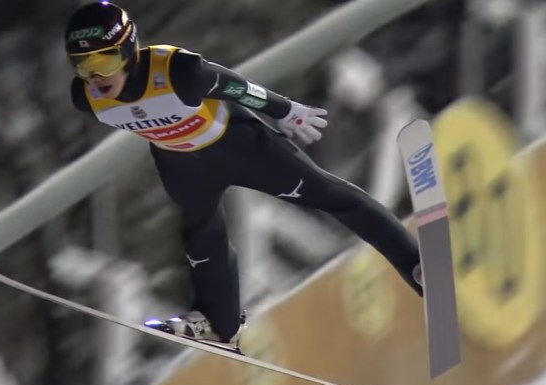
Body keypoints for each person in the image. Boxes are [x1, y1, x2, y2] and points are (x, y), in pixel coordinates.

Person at [64, 1, 423, 351]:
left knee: (328, 194)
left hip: (237, 146)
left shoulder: (176, 71)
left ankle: (414, 263)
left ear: (129, 53)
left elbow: (234, 86)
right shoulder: (85, 97)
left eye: (104, 62)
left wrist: (285, 110)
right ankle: (219, 323)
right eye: (83, 65)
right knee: (201, 237)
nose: (96, 76)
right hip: (183, 163)